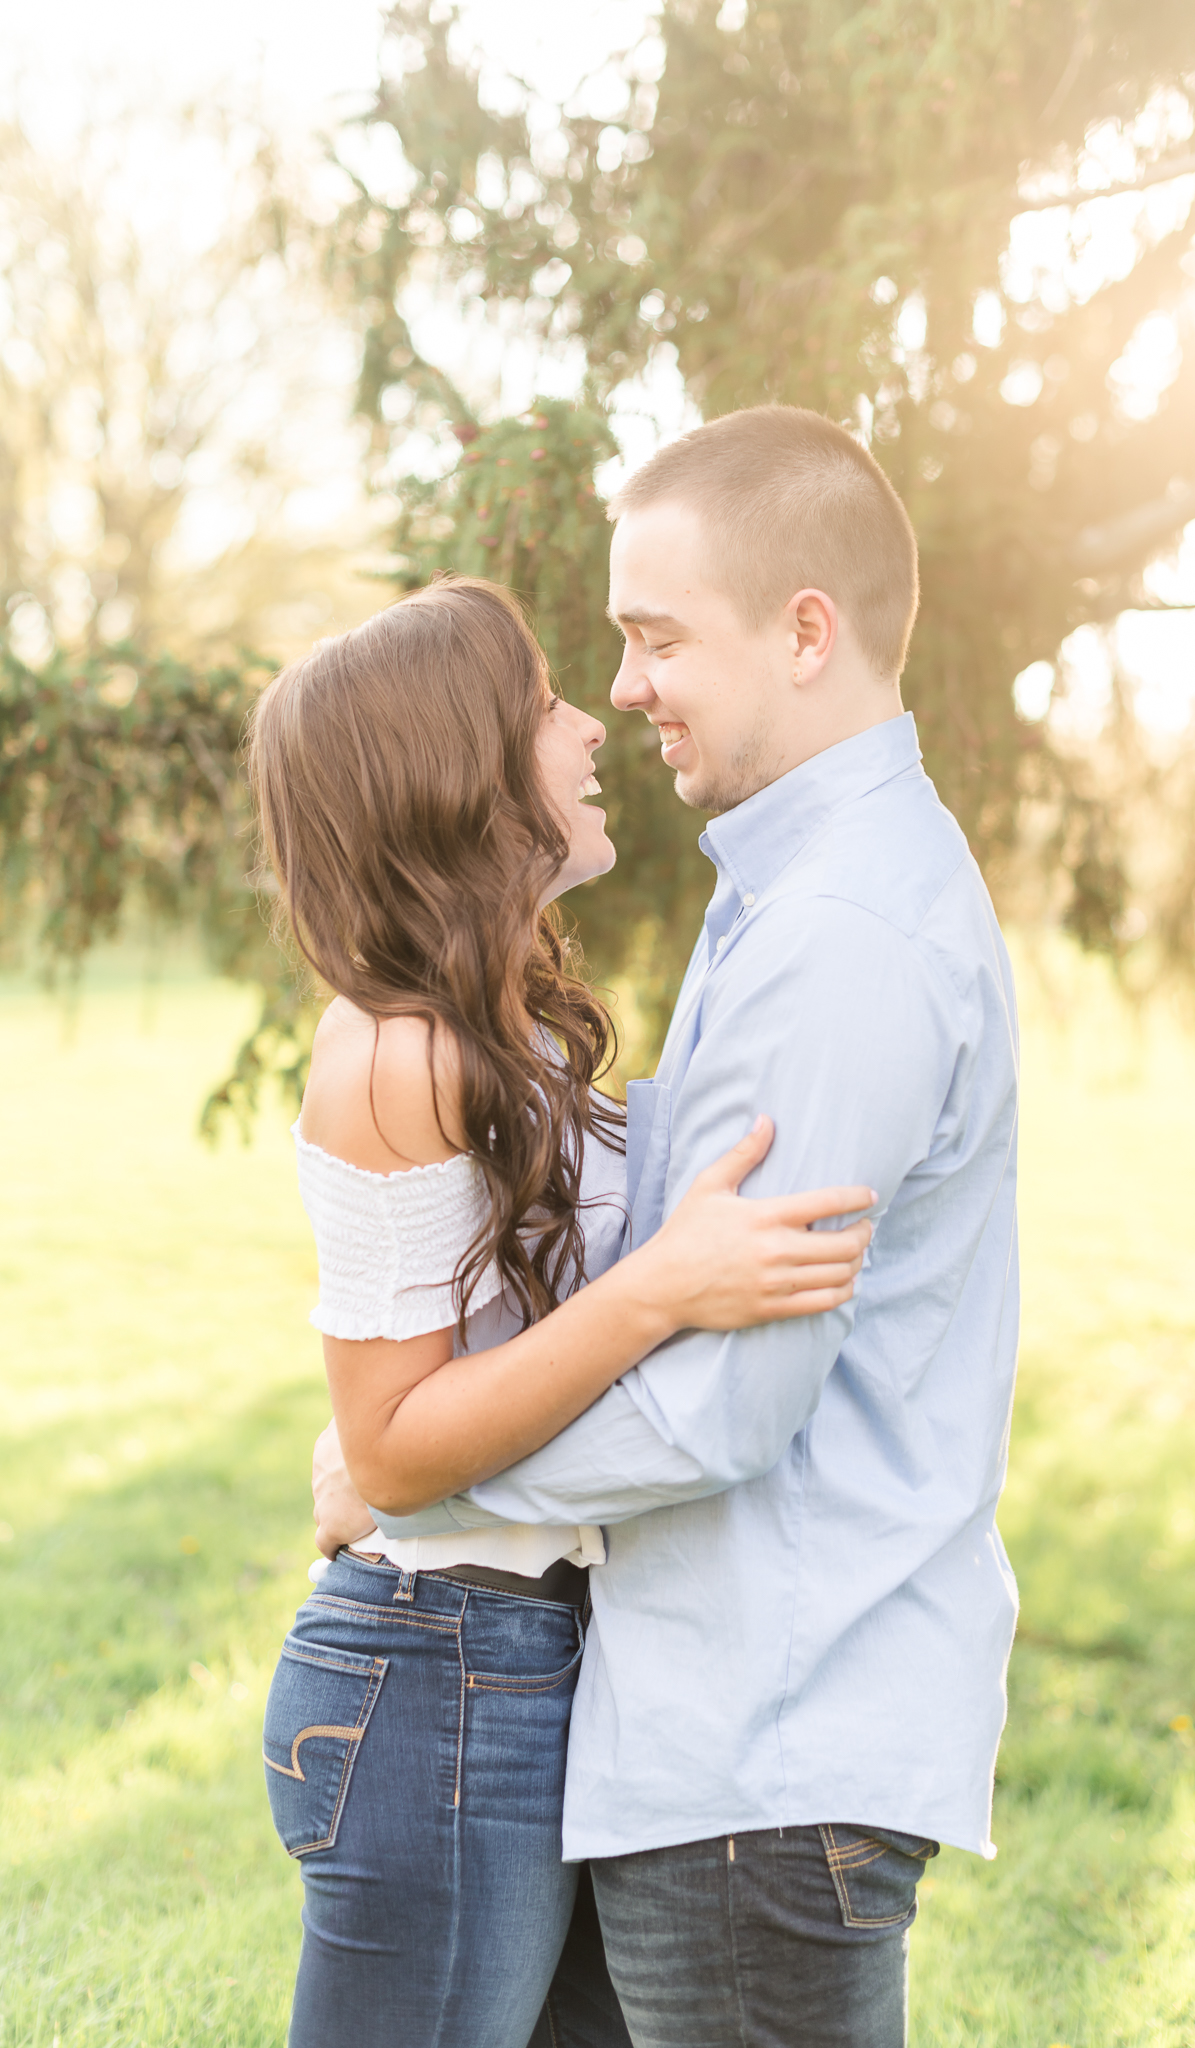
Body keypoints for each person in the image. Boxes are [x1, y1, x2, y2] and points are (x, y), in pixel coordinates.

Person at [314, 406, 1022, 2047]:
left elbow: (728, 1400)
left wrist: (413, 1473)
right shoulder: (788, 887)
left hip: (763, 1750)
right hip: (706, 1738)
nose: (622, 690)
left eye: (654, 638)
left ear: (803, 632)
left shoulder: (838, 932)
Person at [248, 574, 877, 2048]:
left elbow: (417, 1414)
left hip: (525, 1662)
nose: (594, 723)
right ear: (457, 768)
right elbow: (397, 1452)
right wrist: (664, 1290)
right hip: (436, 1677)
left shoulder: (499, 1032)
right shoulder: (398, 1052)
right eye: (543, 705)